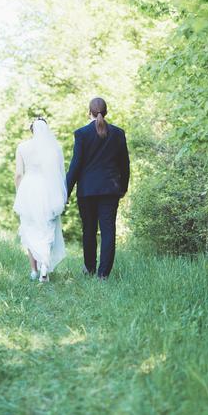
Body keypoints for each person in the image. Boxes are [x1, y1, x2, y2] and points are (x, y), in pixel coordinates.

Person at [66, 97, 130, 279]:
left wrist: (65, 191)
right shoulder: (118, 133)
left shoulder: (81, 134)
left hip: (87, 191)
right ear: (106, 112)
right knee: (108, 231)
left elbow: (75, 165)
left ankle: (89, 268)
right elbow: (125, 164)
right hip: (110, 189)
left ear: (89, 112)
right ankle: (103, 274)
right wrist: (123, 187)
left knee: (89, 230)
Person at [14, 117, 67, 282]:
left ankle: (33, 270)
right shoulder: (54, 149)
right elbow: (59, 174)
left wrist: (19, 193)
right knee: (47, 227)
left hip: (28, 189)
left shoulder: (22, 147)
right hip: (47, 189)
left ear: (32, 130)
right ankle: (44, 266)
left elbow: (18, 174)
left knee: (29, 227)